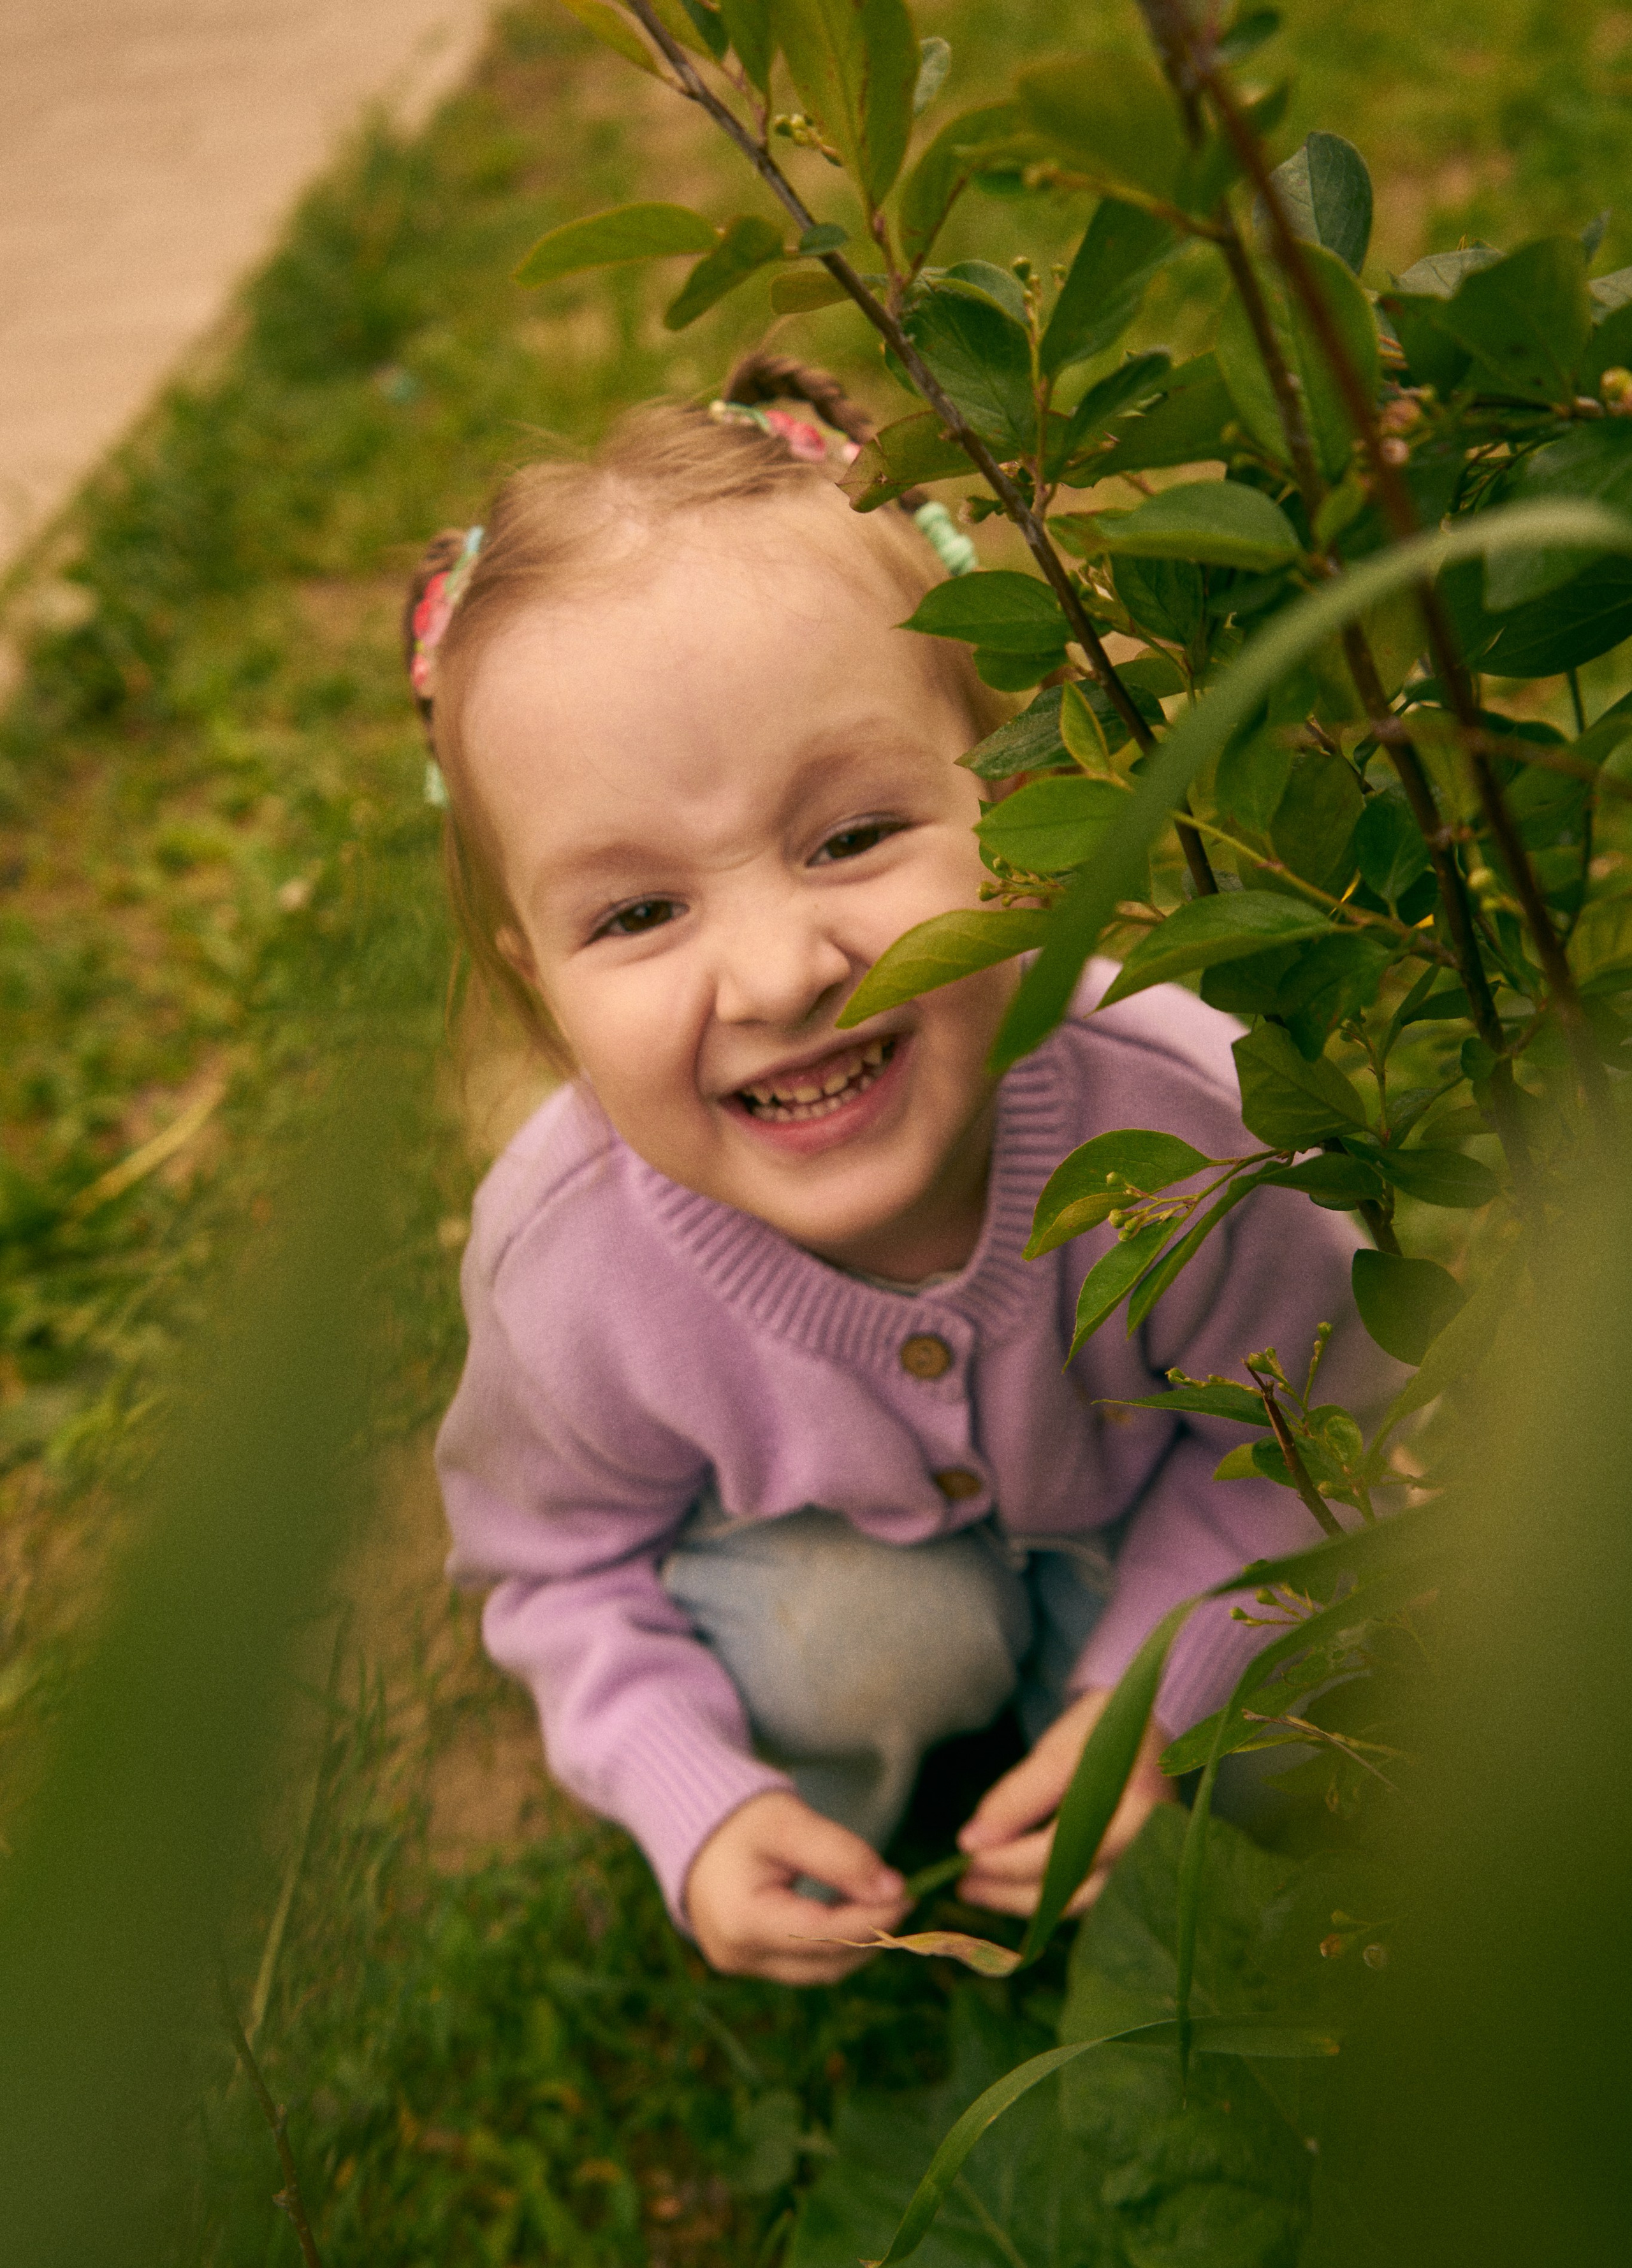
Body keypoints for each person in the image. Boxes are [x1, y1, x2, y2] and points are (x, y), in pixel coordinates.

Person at [419, 352, 1385, 1985]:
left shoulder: (1186, 1122)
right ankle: (870, 1802)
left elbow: (1304, 1434)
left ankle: (1098, 1750)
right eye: (639, 914)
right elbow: (554, 1559)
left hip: (1150, 1528)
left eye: (851, 837)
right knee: (857, 1651)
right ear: (535, 981)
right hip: (839, 1575)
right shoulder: (571, 1265)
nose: (781, 973)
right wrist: (693, 1798)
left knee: (1310, 1732)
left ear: (1013, 806)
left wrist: (1147, 1701)